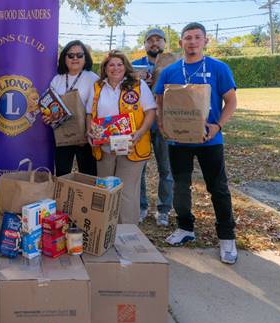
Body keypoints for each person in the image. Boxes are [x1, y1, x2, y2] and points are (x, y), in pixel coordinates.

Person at [154, 22, 238, 264]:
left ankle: (226, 237)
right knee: (181, 186)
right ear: (180, 43)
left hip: (209, 140)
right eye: (187, 38)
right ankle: (185, 228)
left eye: (197, 37)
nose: (192, 42)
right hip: (178, 141)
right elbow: (160, 100)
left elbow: (231, 101)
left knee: (218, 188)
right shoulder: (170, 71)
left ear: (205, 41)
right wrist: (161, 124)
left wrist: (217, 125)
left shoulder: (218, 68)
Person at [87, 50, 156, 224]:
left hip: (133, 145)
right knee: (106, 188)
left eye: (119, 64)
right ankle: (105, 230)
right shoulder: (97, 87)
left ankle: (127, 233)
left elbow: (150, 112)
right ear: (105, 68)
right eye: (111, 65)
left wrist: (140, 132)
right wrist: (90, 130)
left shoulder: (139, 85)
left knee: (126, 192)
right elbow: (89, 113)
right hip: (104, 146)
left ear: (125, 67)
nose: (115, 68)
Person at [132, 29, 174, 226]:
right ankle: (141, 206)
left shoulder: (174, 63)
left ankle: (164, 210)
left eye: (158, 40)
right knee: (138, 166)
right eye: (150, 40)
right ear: (145, 44)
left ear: (164, 43)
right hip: (141, 123)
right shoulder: (134, 65)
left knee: (166, 169)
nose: (154, 43)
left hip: (165, 122)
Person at [43, 40, 99, 176]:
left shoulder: (94, 79)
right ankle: (63, 197)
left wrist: (88, 132)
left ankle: (85, 197)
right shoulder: (57, 79)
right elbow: (50, 107)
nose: (75, 58)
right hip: (63, 134)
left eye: (80, 55)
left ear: (85, 58)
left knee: (88, 173)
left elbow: (95, 108)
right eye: (71, 55)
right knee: (62, 172)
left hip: (86, 135)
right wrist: (47, 116)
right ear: (64, 58)